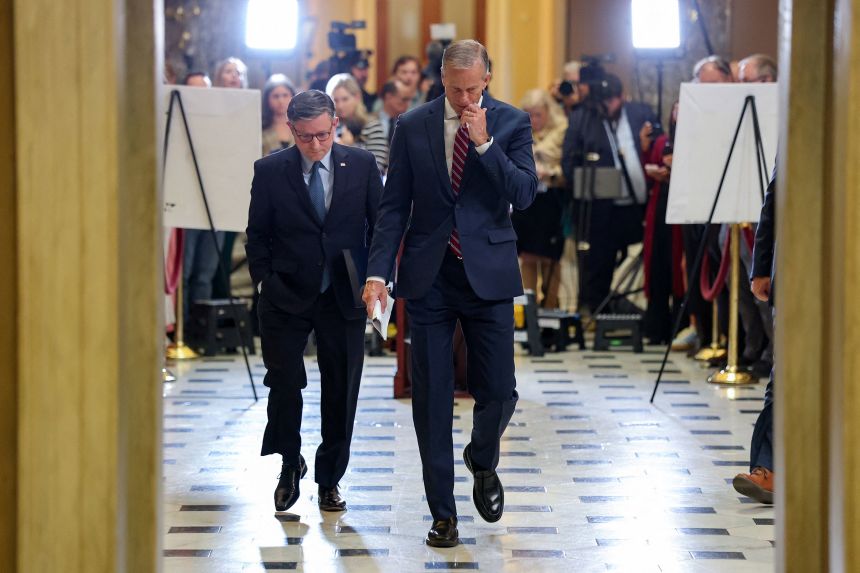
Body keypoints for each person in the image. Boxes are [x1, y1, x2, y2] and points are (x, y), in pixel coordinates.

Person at [362, 39, 537, 548]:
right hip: (430, 276)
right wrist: (378, 273)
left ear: (488, 78)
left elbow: (524, 194)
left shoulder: (512, 122)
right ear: (442, 80)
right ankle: (443, 514)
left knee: (499, 391)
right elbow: (394, 207)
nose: (464, 99)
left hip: (488, 274)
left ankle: (482, 460)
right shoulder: (412, 125)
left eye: (472, 88)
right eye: (455, 89)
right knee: (432, 400)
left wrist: (484, 144)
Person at [245, 90, 383, 513]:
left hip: (343, 290)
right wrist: (266, 280)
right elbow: (257, 233)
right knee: (284, 382)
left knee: (341, 387)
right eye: (306, 137)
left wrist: (378, 280)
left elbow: (380, 226)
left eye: (324, 134)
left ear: (336, 123)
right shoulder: (270, 170)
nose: (317, 145)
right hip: (286, 291)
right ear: (291, 130)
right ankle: (290, 462)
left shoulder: (360, 164)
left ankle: (330, 479)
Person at [561, 73, 654, 314]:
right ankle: (597, 311)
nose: (608, 106)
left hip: (637, 205)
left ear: (621, 97)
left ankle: (634, 309)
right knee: (598, 263)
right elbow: (569, 161)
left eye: (612, 100)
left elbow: (656, 143)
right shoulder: (584, 117)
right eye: (604, 101)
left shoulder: (640, 113)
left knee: (641, 259)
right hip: (600, 207)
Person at [733, 167, 777, 504]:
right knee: (786, 373)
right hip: (801, 262)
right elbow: (774, 197)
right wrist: (761, 266)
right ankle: (767, 467)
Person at [512, 89, 569, 308]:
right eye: (529, 115)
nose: (534, 120)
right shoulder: (519, 133)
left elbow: (567, 169)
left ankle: (551, 308)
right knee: (527, 257)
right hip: (526, 203)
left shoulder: (562, 132)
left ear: (547, 112)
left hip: (552, 201)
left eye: (538, 114)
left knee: (550, 259)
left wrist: (550, 173)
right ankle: (529, 312)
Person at [640, 102, 685, 344]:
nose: (677, 114)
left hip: (681, 211)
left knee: (678, 268)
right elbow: (649, 164)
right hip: (659, 208)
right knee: (656, 266)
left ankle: (680, 327)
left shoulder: (692, 141)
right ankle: (655, 328)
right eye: (675, 109)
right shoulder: (662, 140)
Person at [181, 71, 223, 324]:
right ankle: (180, 328)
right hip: (184, 208)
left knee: (205, 274)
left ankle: (199, 331)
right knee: (182, 274)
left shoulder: (220, 123)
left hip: (215, 207)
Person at [326, 73, 388, 173]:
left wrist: (349, 148)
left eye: (345, 99)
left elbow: (376, 169)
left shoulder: (372, 126)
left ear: (357, 97)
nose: (340, 105)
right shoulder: (328, 128)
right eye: (335, 100)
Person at [261, 74, 296, 156]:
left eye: (285, 95)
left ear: (293, 97)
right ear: (267, 99)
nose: (281, 100)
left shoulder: (302, 126)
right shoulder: (260, 127)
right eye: (275, 96)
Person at [376, 79, 410, 146]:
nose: (407, 104)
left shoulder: (408, 124)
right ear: (389, 96)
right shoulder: (369, 121)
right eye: (404, 99)